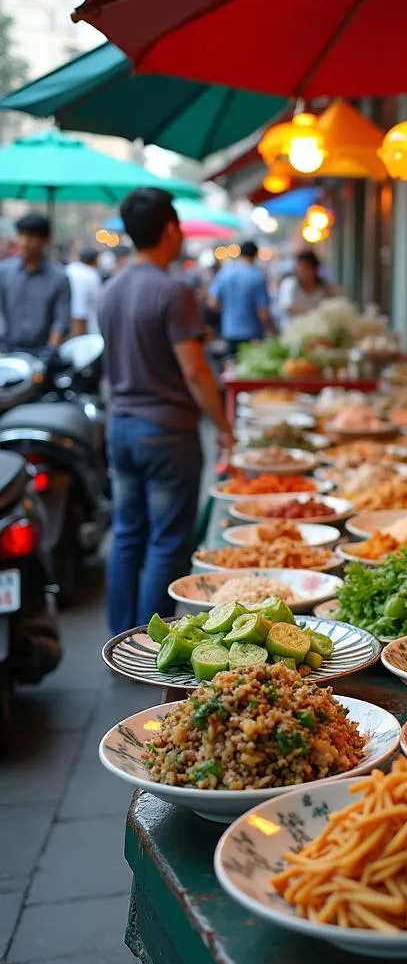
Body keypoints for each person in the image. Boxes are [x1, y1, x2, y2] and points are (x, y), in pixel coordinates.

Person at [98, 187, 233, 635]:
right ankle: (151, 645)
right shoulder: (173, 291)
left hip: (120, 428)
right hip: (167, 434)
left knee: (127, 535)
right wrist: (225, 430)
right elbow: (195, 372)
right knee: (166, 541)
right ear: (171, 229)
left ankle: (120, 638)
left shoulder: (110, 289)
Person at [0, 214, 71, 355]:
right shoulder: (4, 272)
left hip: (42, 353)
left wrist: (49, 352)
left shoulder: (59, 277)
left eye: (31, 237)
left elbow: (61, 321)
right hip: (7, 351)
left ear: (45, 240)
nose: (24, 242)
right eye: (21, 235)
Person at [209, 240, 275, 354]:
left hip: (230, 331)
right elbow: (263, 313)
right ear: (255, 255)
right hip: (253, 334)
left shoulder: (224, 273)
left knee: (233, 368)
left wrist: (229, 310)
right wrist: (274, 332)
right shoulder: (257, 276)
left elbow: (213, 303)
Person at [277, 250, 337, 319]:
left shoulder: (326, 288)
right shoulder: (289, 284)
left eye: (306, 269)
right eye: (300, 269)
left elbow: (334, 306)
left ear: (314, 269)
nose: (302, 273)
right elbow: (287, 307)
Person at [66, 246, 103, 335]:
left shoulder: (70, 268)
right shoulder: (91, 275)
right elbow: (80, 310)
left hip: (65, 325)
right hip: (86, 329)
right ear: (95, 259)